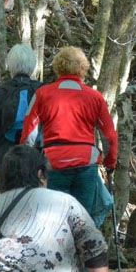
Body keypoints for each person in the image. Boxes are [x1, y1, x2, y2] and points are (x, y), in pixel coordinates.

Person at [19, 46, 117, 227]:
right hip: (86, 163)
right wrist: (110, 163)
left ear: (58, 67)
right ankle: (83, 251)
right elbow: (109, 136)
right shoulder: (95, 97)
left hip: (54, 162)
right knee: (83, 219)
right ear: (83, 68)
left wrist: (29, 162)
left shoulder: (43, 94)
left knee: (56, 219)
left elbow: (29, 132)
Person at [0, 43, 42, 181]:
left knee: (10, 198)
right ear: (33, 64)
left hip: (6, 157)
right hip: (37, 156)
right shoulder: (43, 91)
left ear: (10, 65)